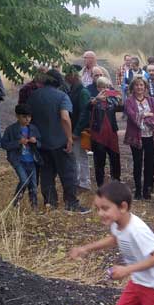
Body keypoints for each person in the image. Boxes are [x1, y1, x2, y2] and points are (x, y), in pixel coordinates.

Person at [27, 69, 90, 213]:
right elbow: (64, 118)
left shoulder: (33, 96)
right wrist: (69, 138)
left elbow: (28, 117)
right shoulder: (62, 96)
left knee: (46, 173)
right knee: (68, 172)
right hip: (60, 141)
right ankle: (71, 203)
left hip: (41, 142)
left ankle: (50, 203)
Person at [123, 76, 154, 200]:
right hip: (136, 136)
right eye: (137, 85)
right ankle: (138, 190)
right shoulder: (129, 101)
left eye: (142, 85)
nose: (139, 87)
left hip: (150, 136)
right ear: (133, 87)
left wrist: (145, 117)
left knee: (150, 163)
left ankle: (147, 189)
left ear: (145, 87)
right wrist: (146, 114)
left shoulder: (151, 100)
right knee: (137, 163)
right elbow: (132, 116)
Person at [0, 103, 42, 209]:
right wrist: (18, 142)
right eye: (24, 117)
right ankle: (16, 202)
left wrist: (35, 141)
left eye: (29, 116)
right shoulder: (11, 129)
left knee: (33, 184)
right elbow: (4, 144)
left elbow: (41, 143)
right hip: (18, 160)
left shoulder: (33, 128)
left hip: (31, 160)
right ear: (17, 116)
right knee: (24, 180)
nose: (27, 119)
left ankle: (34, 206)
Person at [88, 76, 123, 189]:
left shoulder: (112, 100)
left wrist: (120, 98)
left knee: (115, 158)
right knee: (99, 161)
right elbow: (87, 106)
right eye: (102, 87)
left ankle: (116, 181)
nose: (105, 89)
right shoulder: (94, 101)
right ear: (98, 88)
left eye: (107, 87)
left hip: (111, 134)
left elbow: (121, 108)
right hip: (98, 135)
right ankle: (100, 185)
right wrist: (97, 99)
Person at [65, 67, 93, 190]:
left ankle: (80, 182)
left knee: (77, 156)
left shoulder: (82, 92)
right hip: (75, 128)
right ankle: (83, 182)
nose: (66, 78)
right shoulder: (73, 90)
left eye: (67, 75)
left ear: (74, 76)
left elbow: (85, 113)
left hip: (79, 130)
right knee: (79, 156)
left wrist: (76, 131)